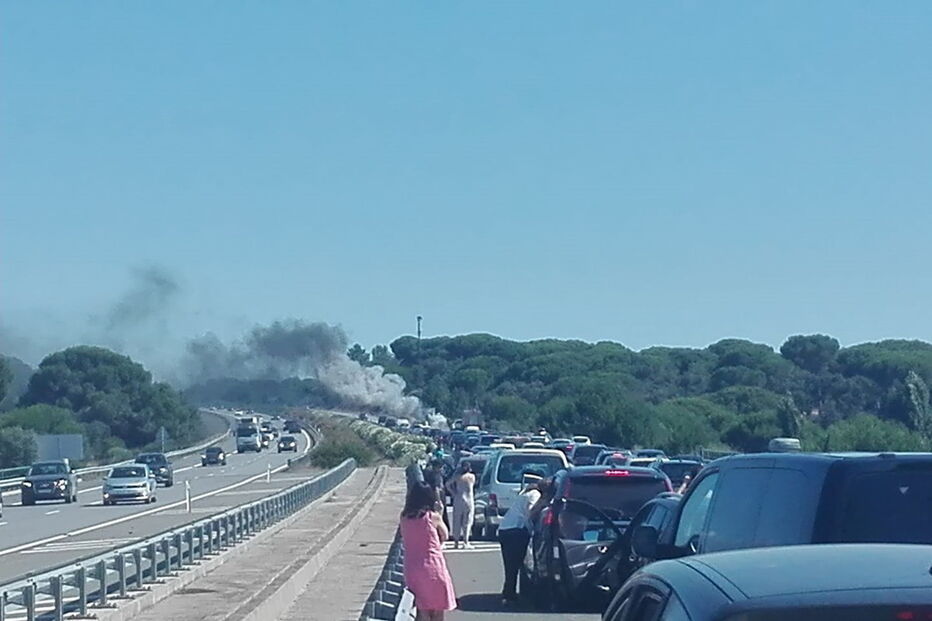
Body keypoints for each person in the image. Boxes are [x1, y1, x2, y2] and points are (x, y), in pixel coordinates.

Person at [400, 482, 458, 620]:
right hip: (432, 566)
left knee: (422, 609)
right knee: (437, 609)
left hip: (412, 567)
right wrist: (440, 512)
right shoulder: (432, 517)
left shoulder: (404, 517)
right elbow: (445, 535)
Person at [497, 472, 542, 605]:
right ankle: (509, 594)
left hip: (506, 529)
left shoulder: (525, 492)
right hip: (516, 530)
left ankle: (509, 592)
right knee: (516, 563)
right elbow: (530, 512)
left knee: (511, 564)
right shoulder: (535, 494)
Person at [445, 461, 476, 549]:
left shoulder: (457, 477)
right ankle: (466, 542)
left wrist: (453, 493)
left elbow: (447, 484)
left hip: (458, 498)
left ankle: (456, 542)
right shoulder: (472, 477)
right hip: (469, 499)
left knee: (457, 521)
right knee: (467, 521)